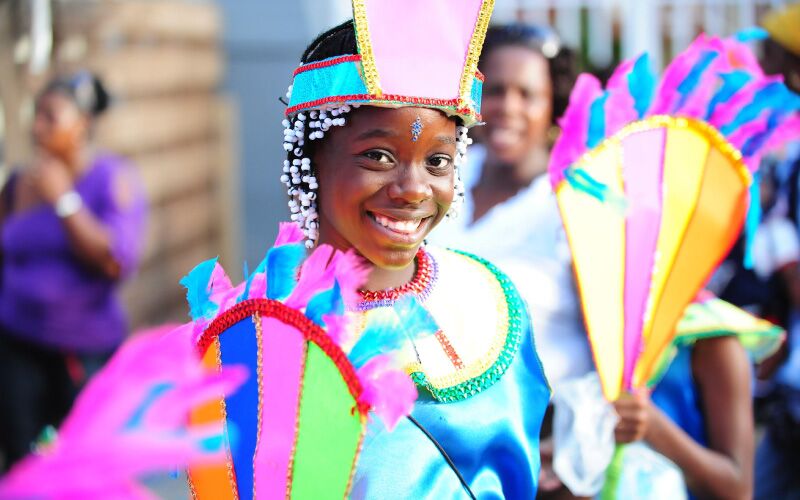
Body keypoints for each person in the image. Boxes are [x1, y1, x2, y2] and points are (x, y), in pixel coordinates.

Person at [0, 71, 147, 470]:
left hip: (82, 352)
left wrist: (64, 200)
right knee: (21, 460)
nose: (37, 126)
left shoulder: (111, 179)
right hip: (16, 344)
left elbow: (116, 261)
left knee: (79, 462)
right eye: (37, 115)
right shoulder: (18, 184)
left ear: (82, 124)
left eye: (51, 116)